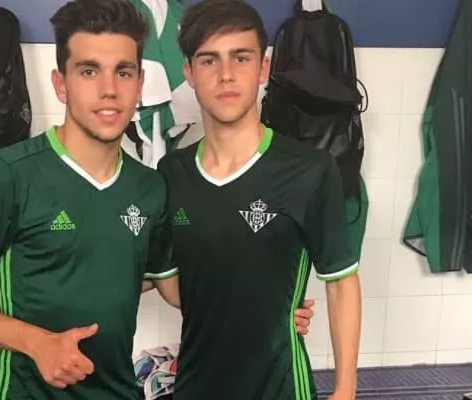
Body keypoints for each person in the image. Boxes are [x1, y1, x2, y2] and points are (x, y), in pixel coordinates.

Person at [0, 0, 313, 399]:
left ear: (140, 84)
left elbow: (170, 287)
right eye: (89, 71)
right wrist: (36, 342)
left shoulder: (149, 187)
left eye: (123, 72)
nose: (109, 90)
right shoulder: (8, 174)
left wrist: (271, 308)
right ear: (61, 84)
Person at [148, 1, 362, 399]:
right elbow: (172, 282)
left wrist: (345, 389)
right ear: (189, 73)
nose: (226, 74)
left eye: (241, 58)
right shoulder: (172, 172)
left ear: (263, 68)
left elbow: (341, 282)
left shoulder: (310, 170)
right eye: (209, 60)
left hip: (280, 388)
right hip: (197, 385)